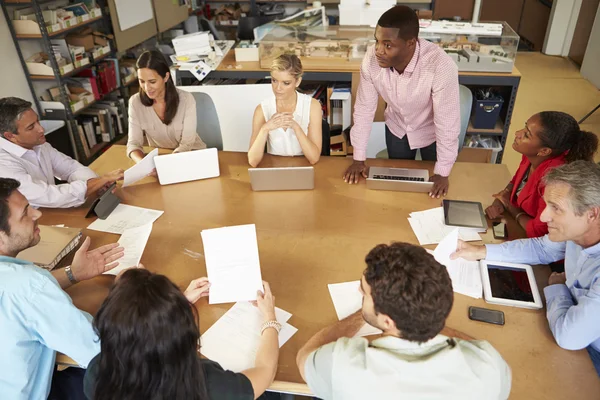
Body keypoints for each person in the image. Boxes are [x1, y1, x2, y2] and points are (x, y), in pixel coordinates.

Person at [296, 242, 511, 399]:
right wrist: (429, 320)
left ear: (388, 321)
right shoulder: (489, 367)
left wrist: (358, 316)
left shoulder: (343, 363)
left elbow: (305, 357)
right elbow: (478, 349)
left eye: (365, 294)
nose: (362, 292)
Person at [452, 161, 600, 376]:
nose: (543, 217)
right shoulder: (579, 232)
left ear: (592, 214)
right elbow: (541, 249)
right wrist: (479, 251)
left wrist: (558, 289)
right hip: (569, 323)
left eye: (556, 208)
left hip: (589, 350)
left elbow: (570, 337)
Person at [0, 178, 125, 400]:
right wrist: (136, 297)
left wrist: (72, 273)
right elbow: (100, 350)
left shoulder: (23, 286)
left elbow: (16, 294)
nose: (37, 215)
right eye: (25, 213)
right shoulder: (28, 286)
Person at [84, 268, 280, 400]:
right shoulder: (203, 383)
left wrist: (172, 305)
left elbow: (142, 332)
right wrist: (270, 318)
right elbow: (265, 371)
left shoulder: (97, 374)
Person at [342, 6, 460, 198]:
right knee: (400, 186)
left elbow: (447, 123)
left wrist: (443, 172)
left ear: (411, 43)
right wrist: (358, 158)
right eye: (377, 41)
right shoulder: (372, 59)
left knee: (434, 189)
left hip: (433, 132)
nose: (378, 50)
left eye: (388, 45)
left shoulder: (441, 66)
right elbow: (364, 108)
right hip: (397, 126)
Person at [485, 111, 598, 237]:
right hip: (523, 226)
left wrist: (510, 207)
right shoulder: (532, 156)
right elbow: (516, 181)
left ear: (544, 151)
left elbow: (538, 231)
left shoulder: (554, 180)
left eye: (526, 135)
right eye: (525, 126)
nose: (517, 133)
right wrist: (501, 199)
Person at [0, 97, 124, 208]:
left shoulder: (39, 144)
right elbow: (48, 196)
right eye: (31, 127)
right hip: (29, 223)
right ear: (10, 136)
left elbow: (71, 168)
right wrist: (100, 180)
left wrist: (96, 184)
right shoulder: (4, 164)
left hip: (51, 212)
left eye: (38, 121)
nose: (41, 129)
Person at [127, 50, 206, 163]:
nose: (147, 87)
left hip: (192, 156)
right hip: (161, 160)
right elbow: (133, 143)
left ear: (165, 77)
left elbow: (187, 145)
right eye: (142, 81)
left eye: (152, 81)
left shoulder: (186, 100)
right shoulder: (135, 102)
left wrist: (169, 163)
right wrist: (142, 164)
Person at [248, 53, 323, 167]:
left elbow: (314, 158)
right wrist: (265, 129)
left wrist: (296, 127)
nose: (278, 88)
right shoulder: (262, 109)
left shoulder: (313, 106)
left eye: (286, 83)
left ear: (297, 82)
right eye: (274, 80)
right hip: (275, 169)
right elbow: (253, 161)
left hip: (303, 168)